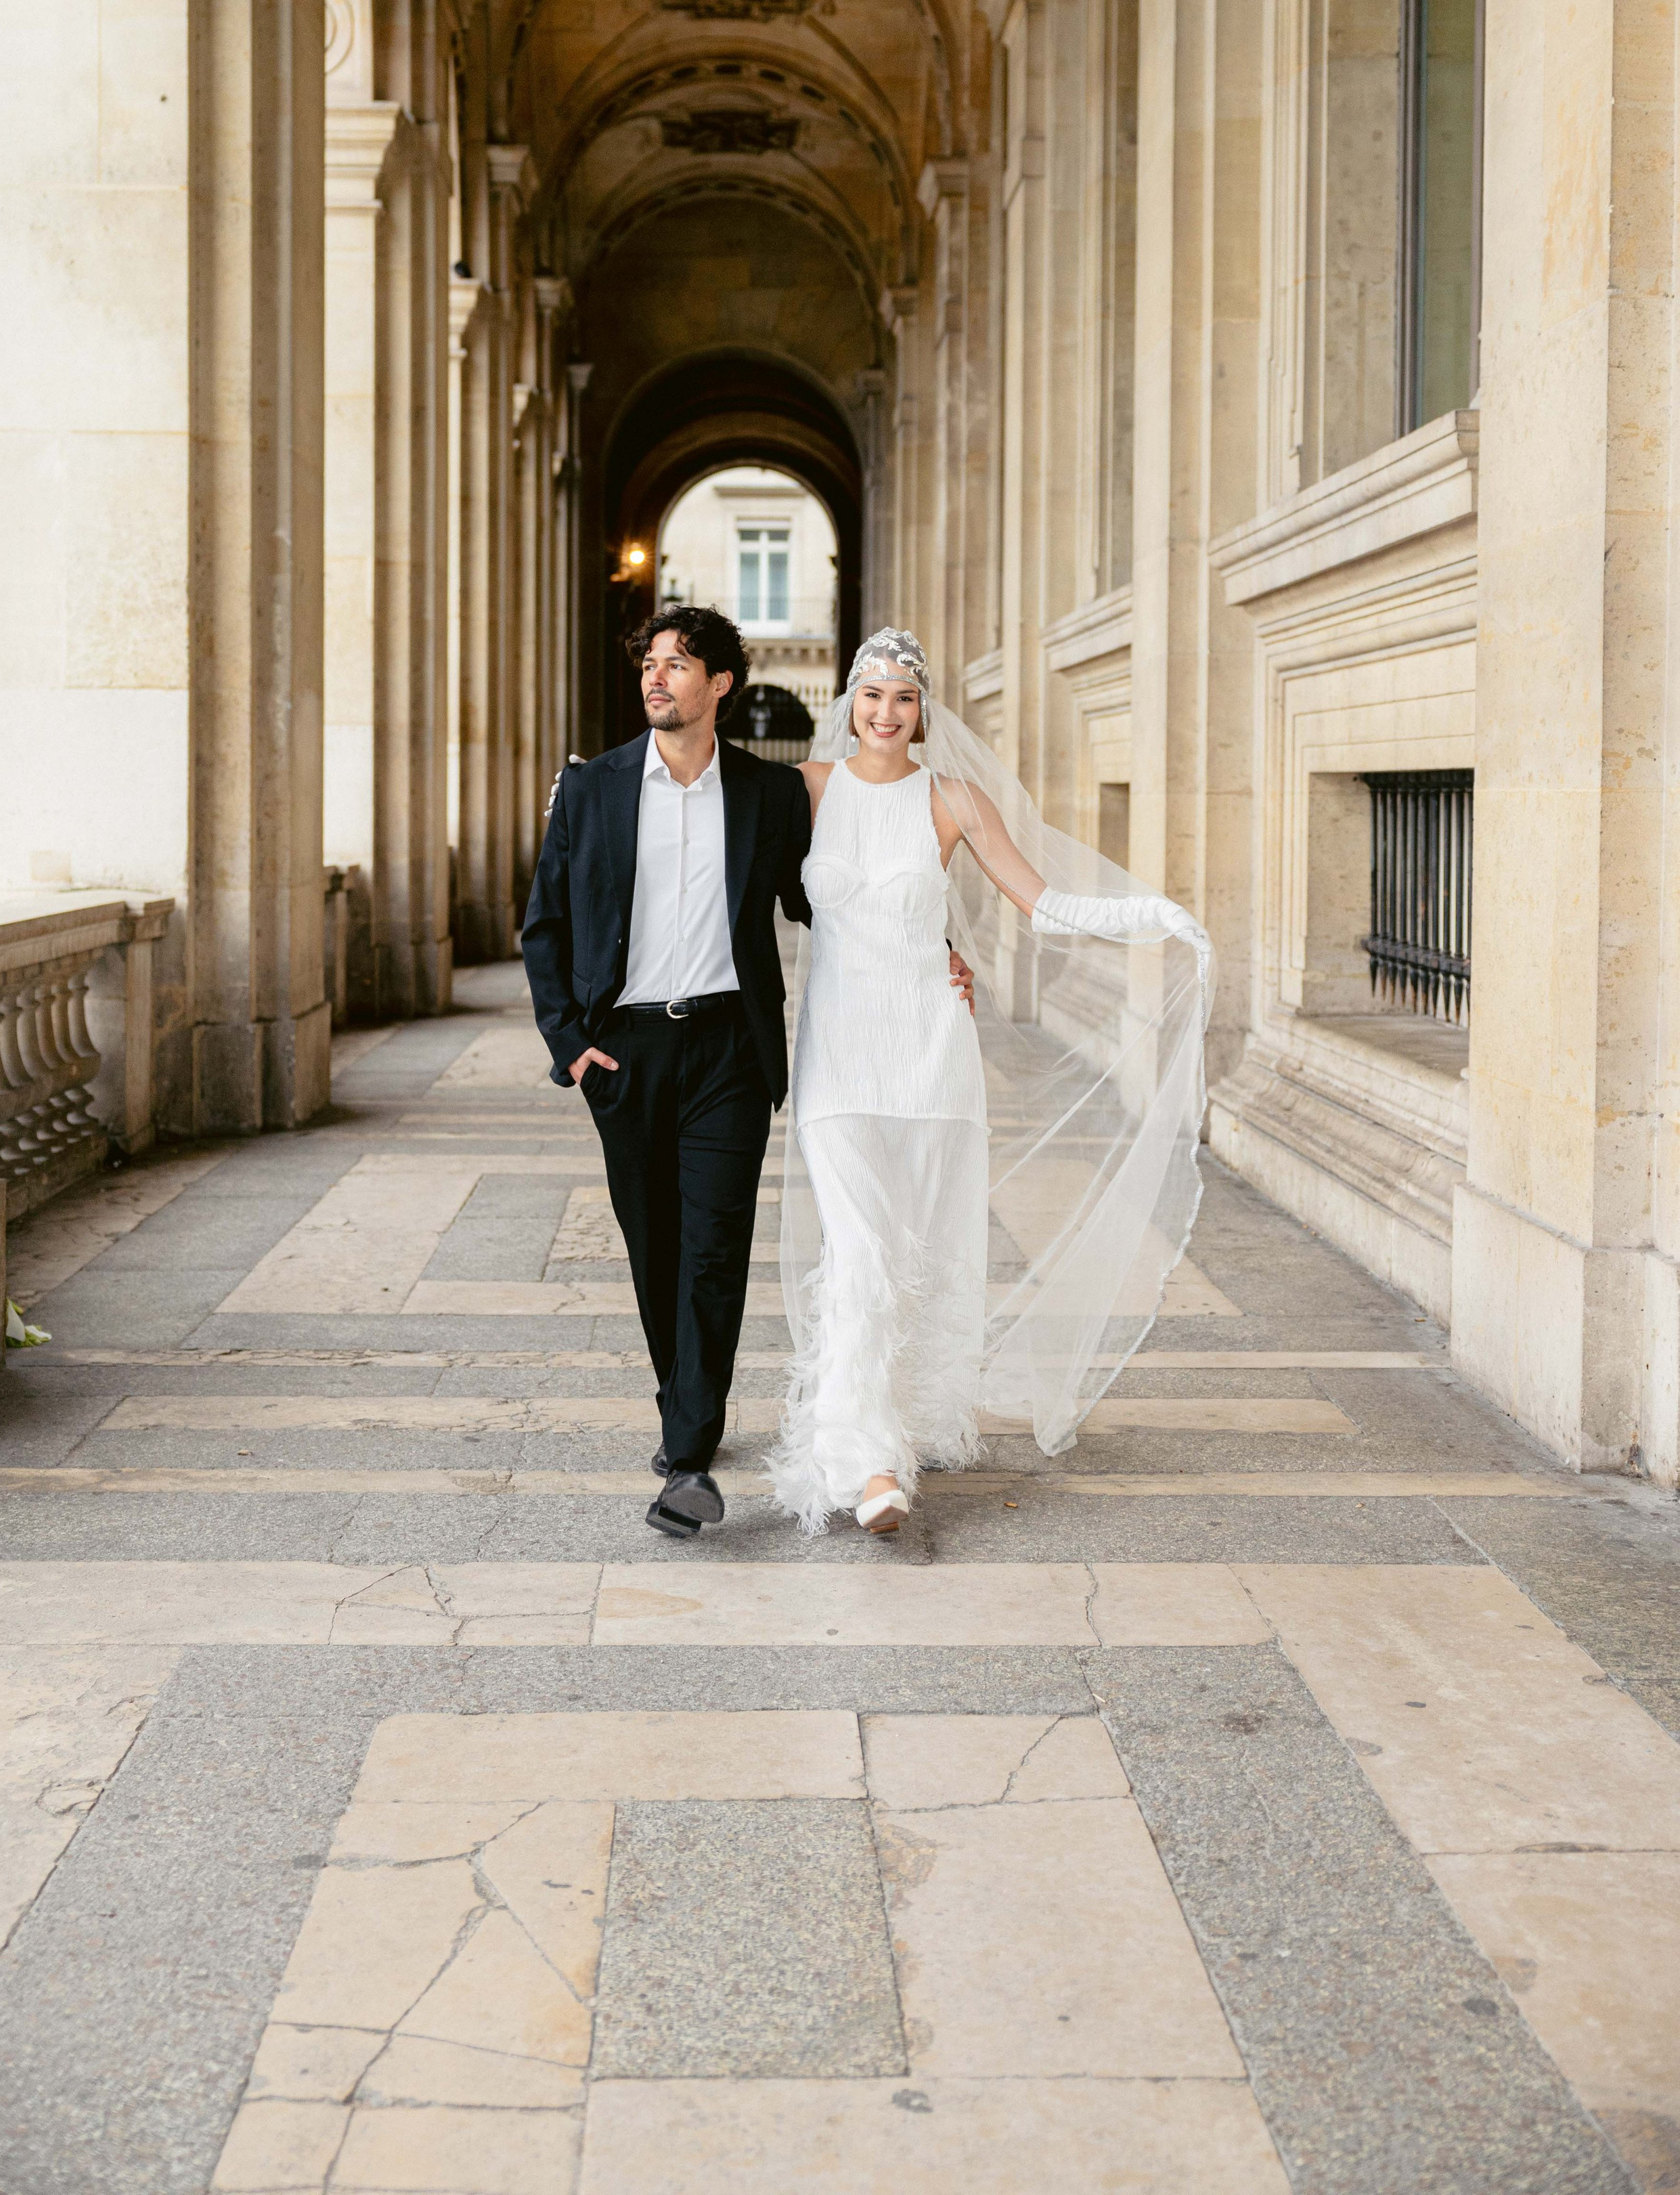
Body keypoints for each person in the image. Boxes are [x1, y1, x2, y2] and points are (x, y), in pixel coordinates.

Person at [520, 607, 974, 1540]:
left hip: (729, 1046)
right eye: (650, 665)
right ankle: (683, 1396)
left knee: (715, 1244)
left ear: (720, 684)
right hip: (627, 1051)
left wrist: (939, 951)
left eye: (677, 665)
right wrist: (571, 1044)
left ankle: (689, 1450)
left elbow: (828, 902)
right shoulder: (592, 788)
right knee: (655, 1245)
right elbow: (546, 926)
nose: (657, 680)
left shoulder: (767, 797)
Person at [766, 628, 1213, 1536]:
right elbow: (724, 852)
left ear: (923, 712)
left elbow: (1043, 901)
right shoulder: (808, 791)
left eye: (903, 697)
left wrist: (1157, 915)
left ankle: (898, 1428)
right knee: (860, 1252)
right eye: (872, 693)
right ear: (848, 703)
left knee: (918, 1254)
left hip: (931, 1051)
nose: (885, 712)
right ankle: (866, 1463)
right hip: (838, 1059)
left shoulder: (954, 801)